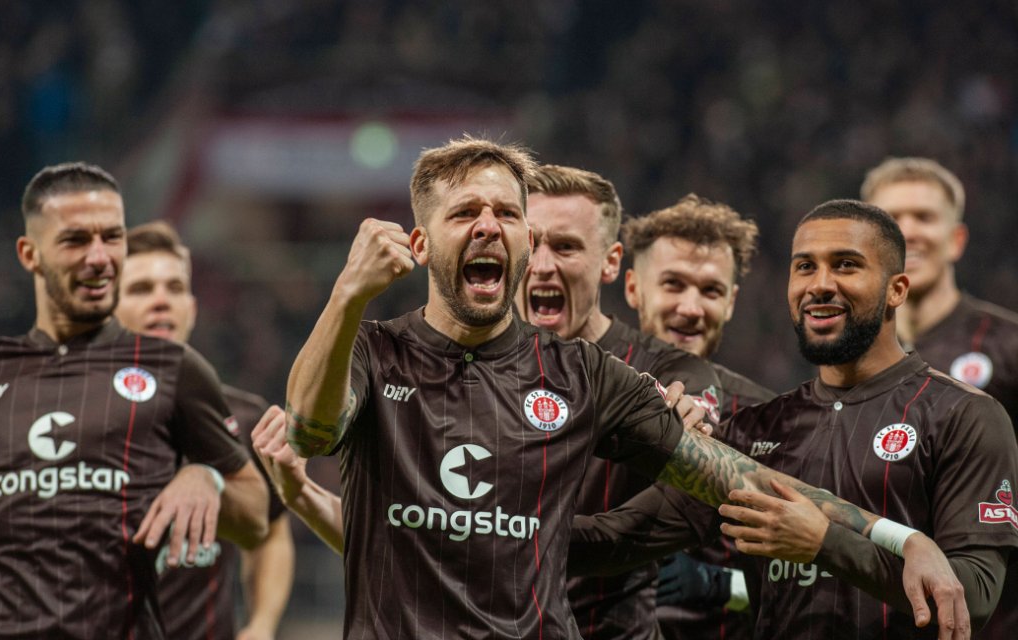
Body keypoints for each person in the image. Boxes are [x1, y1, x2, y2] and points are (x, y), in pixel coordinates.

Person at [283, 136, 969, 639]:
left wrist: (901, 538)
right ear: (422, 243)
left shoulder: (584, 377)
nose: (488, 225)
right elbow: (311, 429)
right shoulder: (375, 351)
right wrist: (348, 294)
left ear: (524, 239)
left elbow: (743, 479)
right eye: (465, 213)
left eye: (506, 212)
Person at [571, 199, 1018, 639]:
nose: (820, 284)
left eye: (845, 265)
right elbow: (619, 538)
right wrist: (508, 523)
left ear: (896, 289)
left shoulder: (964, 415)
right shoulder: (753, 429)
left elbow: (974, 596)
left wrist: (825, 543)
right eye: (804, 267)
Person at [0, 162, 269, 638]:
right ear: (29, 254)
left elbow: (255, 518)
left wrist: (206, 476)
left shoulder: (172, 367)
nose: (100, 257)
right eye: (76, 240)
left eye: (112, 237)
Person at [516, 166, 723, 639]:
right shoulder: (474, 365)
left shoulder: (672, 374)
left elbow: (690, 505)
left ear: (610, 263)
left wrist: (513, 535)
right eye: (530, 244)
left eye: (565, 246)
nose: (543, 264)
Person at [114, 221, 294, 640]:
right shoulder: (80, 412)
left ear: (193, 308)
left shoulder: (245, 418)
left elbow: (271, 532)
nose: (162, 301)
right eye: (141, 289)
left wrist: (262, 625)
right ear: (108, 306)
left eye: (175, 288)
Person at [862, 157, 1018, 639]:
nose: (908, 233)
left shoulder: (1008, 346)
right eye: (893, 220)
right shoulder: (847, 360)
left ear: (956, 239)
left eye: (924, 217)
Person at [621, 195, 776, 639]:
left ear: (730, 303)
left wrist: (720, 586)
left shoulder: (764, 418)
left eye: (710, 291)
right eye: (673, 284)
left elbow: (801, 583)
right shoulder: (585, 391)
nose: (691, 308)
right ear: (633, 288)